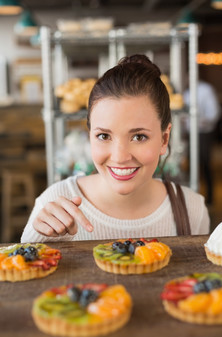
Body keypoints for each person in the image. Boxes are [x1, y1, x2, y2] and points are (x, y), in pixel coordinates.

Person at [21, 55, 209, 243]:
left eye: (139, 137)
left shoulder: (193, 210)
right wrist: (37, 237)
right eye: (104, 136)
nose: (120, 157)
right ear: (90, 136)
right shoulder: (54, 205)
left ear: (164, 139)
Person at [183, 79, 221, 205]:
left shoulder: (206, 89)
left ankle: (209, 198)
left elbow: (214, 112)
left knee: (205, 164)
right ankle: (192, 198)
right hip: (190, 132)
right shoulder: (186, 91)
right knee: (190, 163)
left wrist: (202, 121)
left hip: (203, 132)